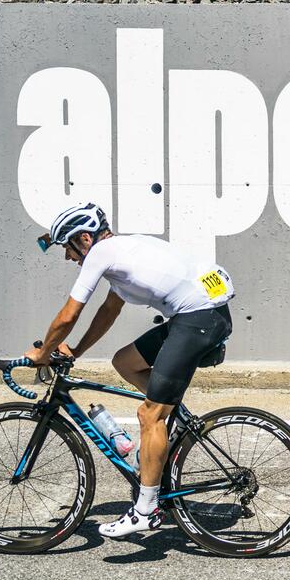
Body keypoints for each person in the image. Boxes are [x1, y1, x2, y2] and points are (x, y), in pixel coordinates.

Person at [28, 202, 234, 537]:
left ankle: (146, 510)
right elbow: (109, 311)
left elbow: (69, 314)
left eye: (67, 248)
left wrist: (43, 352)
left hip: (199, 319)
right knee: (124, 361)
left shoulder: (102, 253)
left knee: (149, 415)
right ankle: (168, 422)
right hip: (200, 315)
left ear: (83, 238)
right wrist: (76, 350)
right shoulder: (122, 253)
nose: (68, 258)